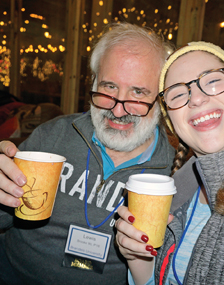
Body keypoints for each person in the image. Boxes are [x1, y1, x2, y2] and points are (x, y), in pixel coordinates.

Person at [0, 23, 175, 284]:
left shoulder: (176, 171)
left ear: (161, 100)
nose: (117, 110)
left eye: (138, 93)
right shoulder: (52, 136)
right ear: (93, 83)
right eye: (109, 87)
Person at [116, 41, 224, 285]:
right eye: (177, 94)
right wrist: (139, 258)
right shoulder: (178, 197)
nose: (195, 99)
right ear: (173, 123)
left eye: (212, 81)